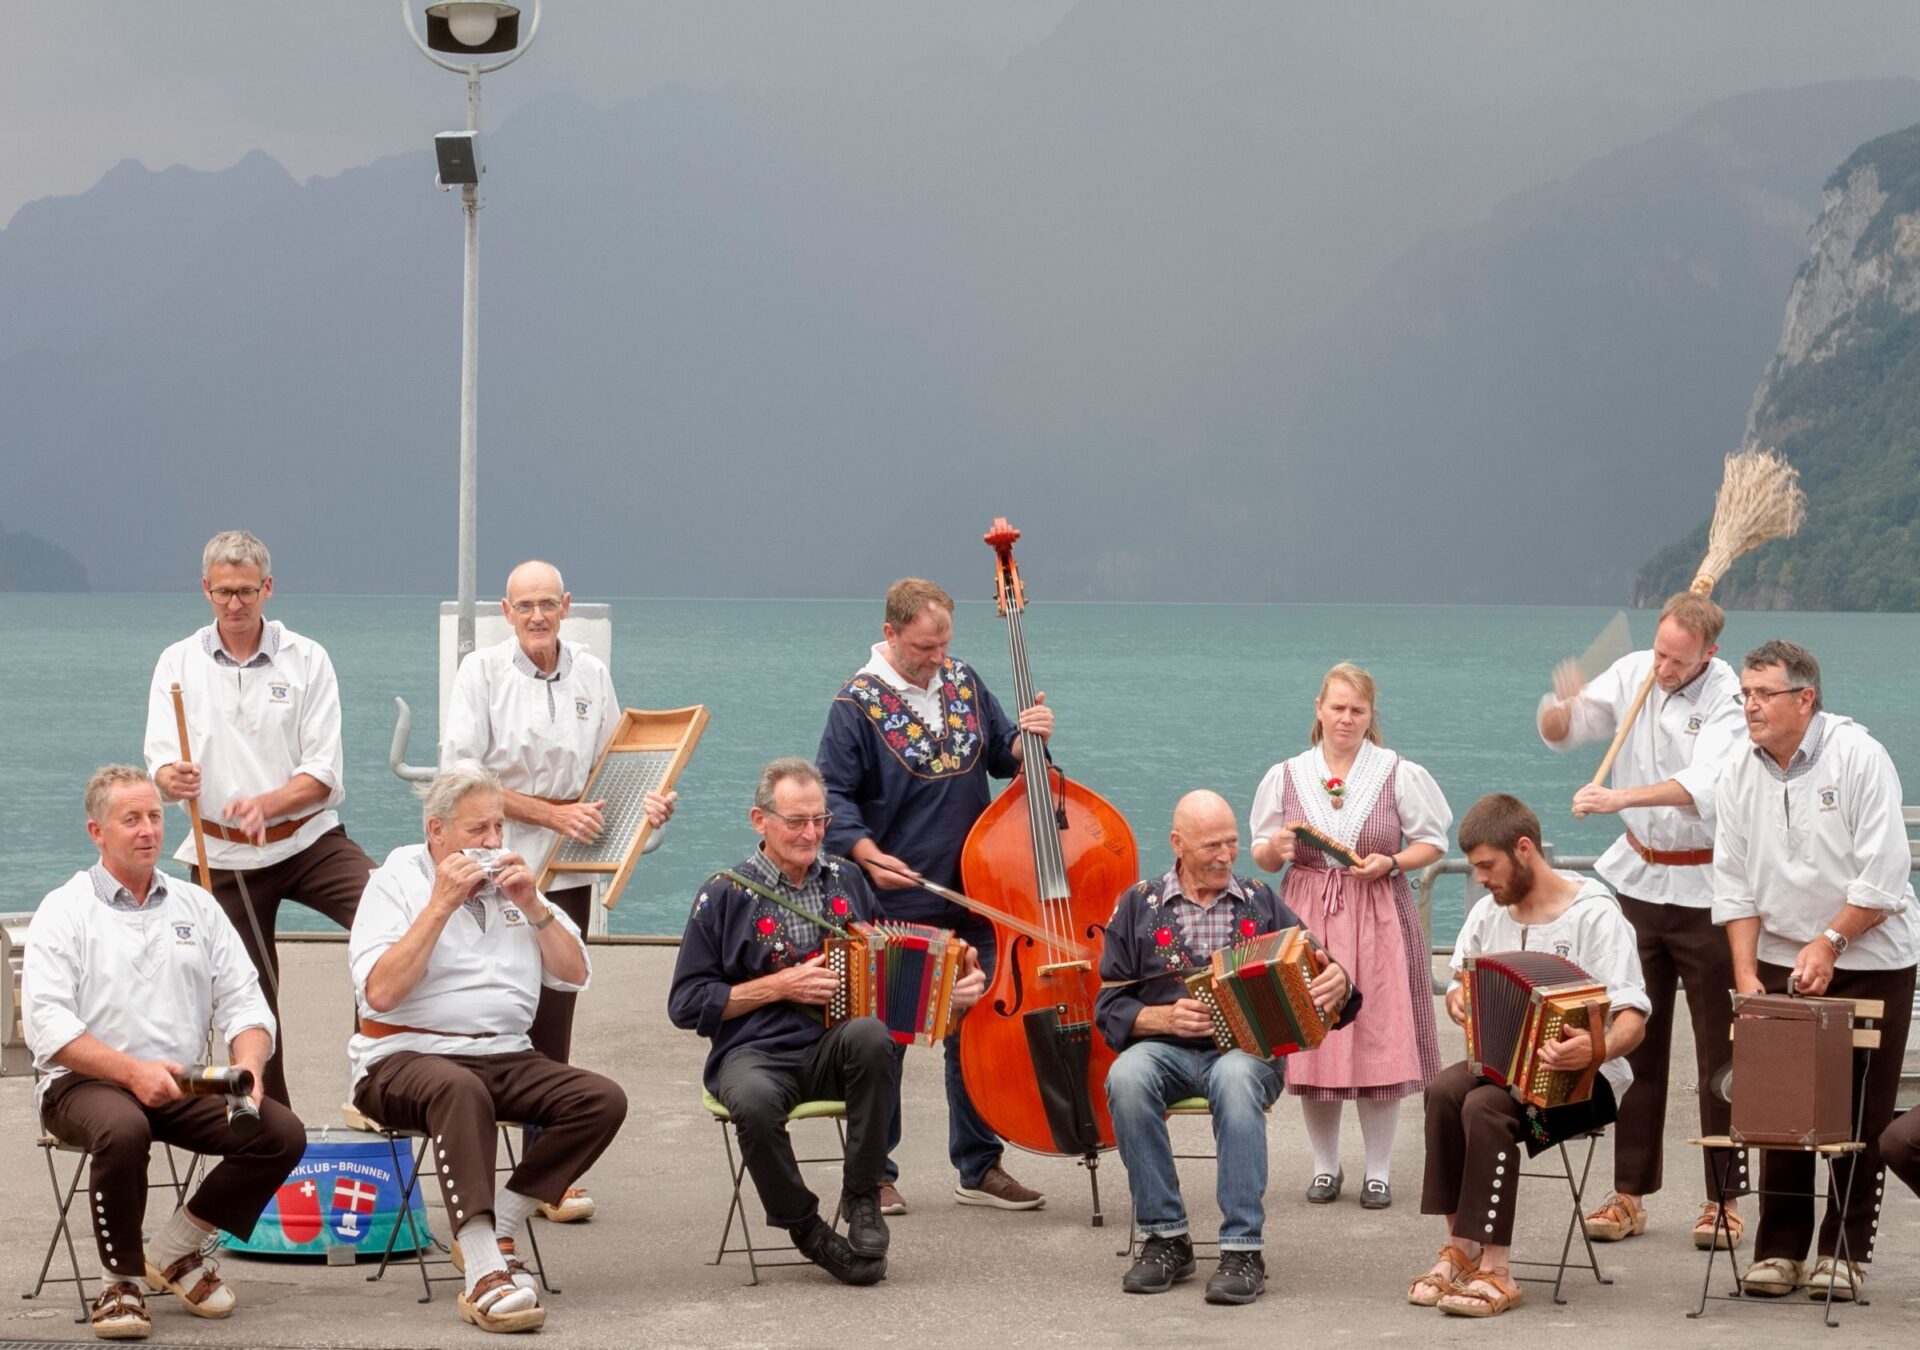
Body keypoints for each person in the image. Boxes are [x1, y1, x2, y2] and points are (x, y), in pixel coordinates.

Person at [669, 758, 985, 1285]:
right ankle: (808, 1230)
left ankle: (863, 1196)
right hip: (755, 1054)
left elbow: (885, 985)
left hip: (831, 1048)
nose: (811, 832)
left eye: (820, 819)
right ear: (759, 820)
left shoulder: (849, 879)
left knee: (872, 1036)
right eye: (796, 820)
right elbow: (685, 1003)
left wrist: (949, 996)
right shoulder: (722, 894)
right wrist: (779, 986)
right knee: (749, 1101)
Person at [22, 765, 306, 1342]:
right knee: (124, 1128)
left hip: (186, 1079)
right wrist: (130, 1071)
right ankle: (121, 1282)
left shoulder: (197, 905)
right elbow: (46, 1025)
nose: (149, 829)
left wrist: (248, 1067)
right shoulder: (64, 908)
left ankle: (174, 1250)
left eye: (155, 816)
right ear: (96, 832)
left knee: (281, 1131)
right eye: (131, 819)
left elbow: (246, 1005)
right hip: (81, 1082)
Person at [347, 765, 627, 1335]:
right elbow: (379, 991)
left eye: (499, 827)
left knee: (601, 1098)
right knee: (459, 1088)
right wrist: (440, 905)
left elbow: (574, 976)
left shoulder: (512, 881)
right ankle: (481, 1269)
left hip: (505, 1051)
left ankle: (501, 1219)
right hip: (403, 1055)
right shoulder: (395, 881)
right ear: (437, 831)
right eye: (478, 830)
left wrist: (533, 905)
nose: (493, 842)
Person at [440, 558, 675, 1223]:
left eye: (548, 603)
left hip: (572, 866)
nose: (537, 615)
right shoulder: (480, 673)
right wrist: (548, 813)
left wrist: (645, 811)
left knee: (554, 1012)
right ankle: (474, 1177)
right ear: (506, 611)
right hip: (493, 861)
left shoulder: (591, 675)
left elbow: (612, 772)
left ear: (566, 605)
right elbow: (463, 776)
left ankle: (545, 1175)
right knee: (487, 1006)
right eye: (525, 606)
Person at [816, 577, 1052, 1214]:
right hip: (897, 895)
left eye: (945, 642)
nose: (937, 657)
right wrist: (863, 852)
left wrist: (1030, 735)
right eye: (924, 646)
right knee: (886, 1038)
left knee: (975, 1032)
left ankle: (978, 1166)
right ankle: (875, 1171)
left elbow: (1002, 757)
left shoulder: (965, 681)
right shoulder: (854, 704)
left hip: (977, 888)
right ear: (891, 633)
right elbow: (831, 795)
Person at [1538, 592, 1749, 1249]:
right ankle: (1629, 1194)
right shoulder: (1634, 669)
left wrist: (1617, 797)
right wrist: (1559, 709)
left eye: (1677, 660)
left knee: (1723, 1049)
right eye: (1659, 652)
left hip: (1710, 888)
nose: (1662, 668)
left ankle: (1724, 1200)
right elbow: (1563, 732)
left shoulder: (1729, 697)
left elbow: (1706, 785)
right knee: (1631, 1035)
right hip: (1637, 877)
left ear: (1708, 654)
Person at [1712, 639, 1917, 1303]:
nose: (1748, 706)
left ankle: (1844, 1250)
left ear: (1804, 698)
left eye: (1762, 694)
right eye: (1744, 693)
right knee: (1780, 1107)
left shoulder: (1860, 756)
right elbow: (1734, 883)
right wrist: (1747, 977)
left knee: (1862, 1114)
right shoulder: (1737, 769)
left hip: (1871, 957)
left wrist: (1830, 942)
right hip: (1778, 957)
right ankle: (1779, 1249)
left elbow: (1885, 875)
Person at [143, 529, 374, 1108]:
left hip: (308, 838)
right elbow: (159, 764)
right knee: (249, 996)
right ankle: (273, 1123)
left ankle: (377, 1079)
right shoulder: (176, 661)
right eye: (223, 592)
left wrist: (267, 805)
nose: (235, 604)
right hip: (221, 855)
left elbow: (324, 774)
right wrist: (170, 780)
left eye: (246, 591)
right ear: (206, 590)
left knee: (389, 912)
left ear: (268, 588)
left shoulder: (308, 658)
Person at [1097, 791, 1356, 1306]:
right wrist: (1160, 1017)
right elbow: (1109, 1005)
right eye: (1211, 845)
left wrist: (1341, 981)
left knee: (1236, 1078)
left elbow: (1323, 969)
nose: (1224, 856)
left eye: (1232, 843)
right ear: (1177, 843)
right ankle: (1165, 1236)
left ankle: (1243, 1248)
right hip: (1164, 1051)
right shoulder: (1137, 903)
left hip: (1247, 1053)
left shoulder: (1262, 900)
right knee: (1126, 1076)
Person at [1412, 793, 1649, 1319]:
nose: (1479, 880)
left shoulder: (1595, 916)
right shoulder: (1486, 916)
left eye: (1486, 867)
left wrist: (1597, 1047)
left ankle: (1497, 1268)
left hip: (1585, 1092)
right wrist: (1458, 1000)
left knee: (1485, 1108)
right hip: (1505, 1070)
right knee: (1445, 1090)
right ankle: (1460, 1247)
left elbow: (1634, 1018)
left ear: (1524, 850)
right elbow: (1461, 984)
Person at [1248, 662, 1451, 1208]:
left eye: (1357, 710)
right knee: (1317, 1035)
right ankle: (1325, 1166)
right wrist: (1277, 849)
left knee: (1378, 1036)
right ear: (1318, 709)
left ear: (1370, 716)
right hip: (1307, 912)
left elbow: (1433, 843)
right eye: (1337, 707)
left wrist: (1391, 860)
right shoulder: (1287, 773)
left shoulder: (1396, 771)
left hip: (1378, 910)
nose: (1346, 718)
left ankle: (1379, 1171)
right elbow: (1262, 853)